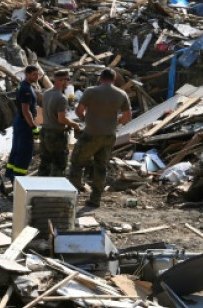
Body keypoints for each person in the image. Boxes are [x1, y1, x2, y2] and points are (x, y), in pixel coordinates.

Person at [67, 68, 132, 207]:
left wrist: (86, 120)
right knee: (101, 167)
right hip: (109, 135)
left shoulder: (91, 91)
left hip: (91, 134)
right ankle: (95, 199)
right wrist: (116, 122)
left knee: (77, 164)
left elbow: (79, 110)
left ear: (101, 78)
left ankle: (72, 198)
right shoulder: (122, 94)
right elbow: (127, 116)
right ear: (114, 80)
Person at [37, 70, 82, 177]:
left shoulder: (47, 93)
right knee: (59, 164)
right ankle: (55, 190)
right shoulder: (61, 98)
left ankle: (39, 189)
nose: (68, 83)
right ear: (61, 81)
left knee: (45, 163)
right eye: (67, 79)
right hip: (56, 135)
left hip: (44, 132)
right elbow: (61, 119)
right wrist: (75, 125)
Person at [5, 65, 41, 181]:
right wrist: (34, 127)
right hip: (25, 123)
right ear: (27, 74)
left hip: (19, 121)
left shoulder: (23, 85)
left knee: (16, 149)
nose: (37, 76)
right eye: (34, 74)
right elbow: (26, 111)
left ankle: (10, 175)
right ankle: (18, 180)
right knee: (24, 152)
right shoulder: (26, 89)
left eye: (38, 74)